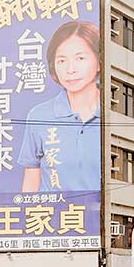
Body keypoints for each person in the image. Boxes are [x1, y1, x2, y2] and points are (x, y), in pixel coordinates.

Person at [17, 21, 101, 194]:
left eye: (80, 58)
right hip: (52, 218)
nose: (70, 69)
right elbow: (31, 178)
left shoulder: (116, 115)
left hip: (105, 218)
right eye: (62, 60)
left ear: (99, 62)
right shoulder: (39, 115)